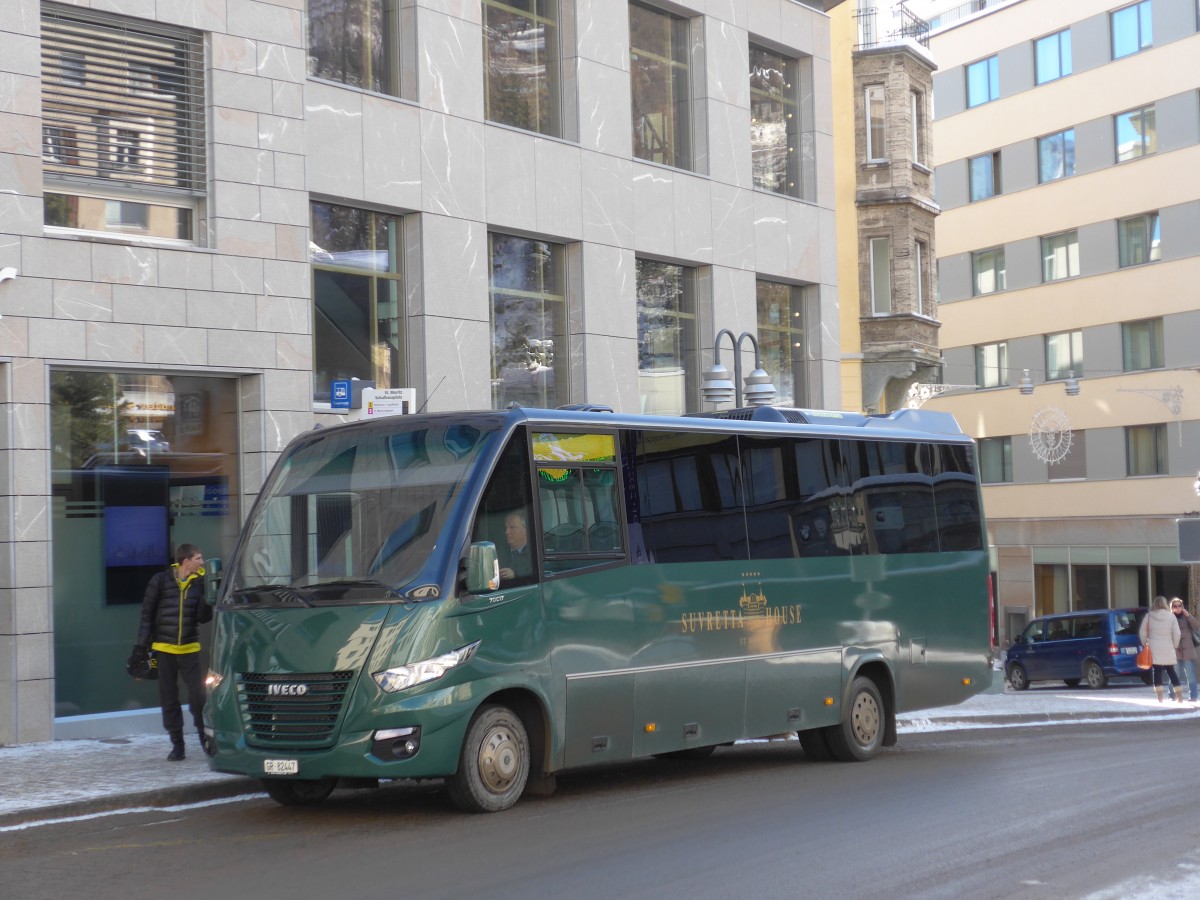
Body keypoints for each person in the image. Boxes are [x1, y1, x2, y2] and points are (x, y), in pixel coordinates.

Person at [133, 543, 211, 760]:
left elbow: (203, 617)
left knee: (198, 698)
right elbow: (147, 616)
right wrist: (140, 648)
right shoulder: (160, 581)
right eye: (198, 558)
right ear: (186, 561)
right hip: (163, 650)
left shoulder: (200, 583)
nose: (202, 562)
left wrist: (208, 596)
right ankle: (178, 745)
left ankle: (205, 740)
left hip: (189, 649)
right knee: (169, 698)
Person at [1139, 595, 1182, 703]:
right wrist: (1175, 645)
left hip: (1154, 647)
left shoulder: (1149, 616)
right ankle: (1180, 697)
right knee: (1171, 671)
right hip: (1168, 647)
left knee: (1156, 672)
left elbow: (1142, 632)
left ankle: (1160, 698)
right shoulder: (1171, 616)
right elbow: (1177, 633)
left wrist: (1145, 644)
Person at [1171, 597, 1200, 703]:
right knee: (1175, 674)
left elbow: (1197, 626)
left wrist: (1188, 616)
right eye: (1175, 606)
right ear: (1172, 608)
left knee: (1191, 675)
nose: (1177, 608)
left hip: (1188, 651)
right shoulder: (1170, 618)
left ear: (1183, 607)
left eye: (1179, 606)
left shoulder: (1187, 617)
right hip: (1175, 651)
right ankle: (1171, 695)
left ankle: (1193, 696)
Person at [498, 509, 532, 582]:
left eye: (512, 527)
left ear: (526, 530)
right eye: (506, 527)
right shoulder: (499, 552)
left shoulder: (535, 552)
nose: (507, 532)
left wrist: (515, 575)